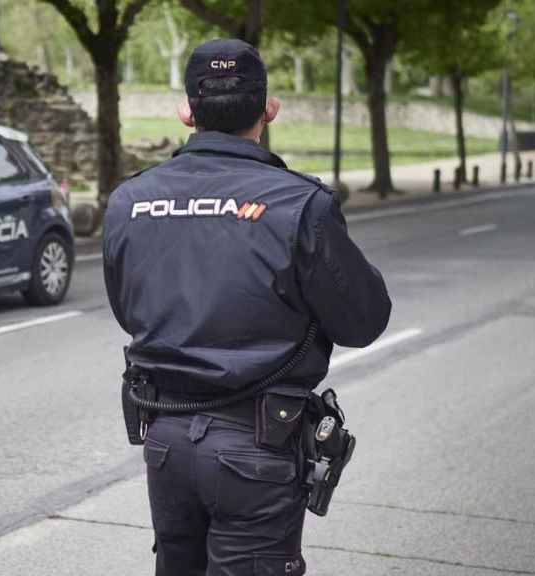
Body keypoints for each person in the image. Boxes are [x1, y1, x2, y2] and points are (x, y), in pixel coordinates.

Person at [103, 38, 391, 576]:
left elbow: (128, 309)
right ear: (269, 110)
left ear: (187, 111)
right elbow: (365, 319)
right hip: (257, 448)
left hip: (164, 441)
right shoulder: (300, 203)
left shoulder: (128, 201)